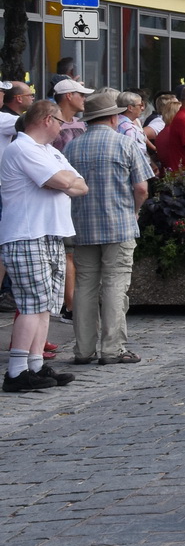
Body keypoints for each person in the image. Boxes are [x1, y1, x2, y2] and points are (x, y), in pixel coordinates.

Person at [1, 102, 88, 391]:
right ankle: (16, 371)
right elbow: (65, 180)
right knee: (31, 304)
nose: (63, 127)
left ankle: (35, 365)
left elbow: (80, 185)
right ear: (47, 120)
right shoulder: (22, 148)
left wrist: (60, 184)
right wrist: (61, 183)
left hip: (49, 233)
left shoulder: (49, 151)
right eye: (61, 122)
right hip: (27, 233)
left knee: (45, 306)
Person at [64, 91, 151, 365]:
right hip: (119, 224)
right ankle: (113, 349)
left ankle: (83, 350)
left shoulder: (72, 147)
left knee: (86, 286)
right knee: (115, 285)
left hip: (83, 226)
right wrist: (135, 211)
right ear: (114, 117)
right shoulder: (125, 144)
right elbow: (141, 188)